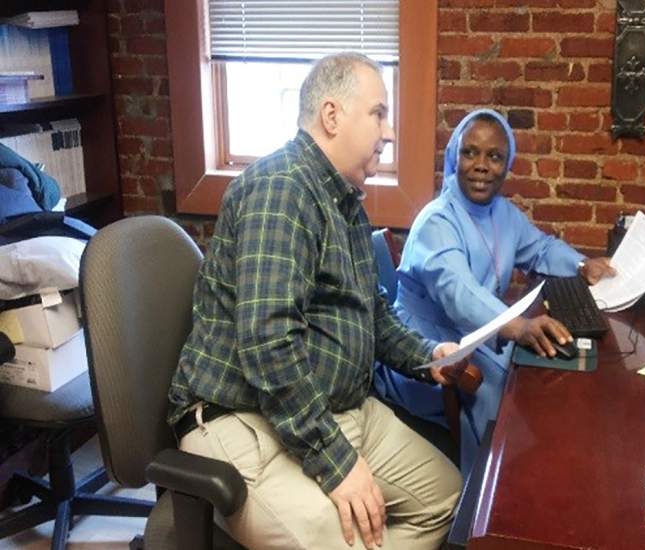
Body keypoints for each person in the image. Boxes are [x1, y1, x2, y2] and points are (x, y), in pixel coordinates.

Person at [167, 53, 465, 550]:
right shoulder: (281, 190)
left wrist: (428, 357)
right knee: (356, 540)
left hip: (331, 409)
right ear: (332, 116)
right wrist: (336, 464)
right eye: (378, 113)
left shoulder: (343, 200)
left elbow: (372, 313)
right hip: (242, 418)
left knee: (447, 498)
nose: (388, 132)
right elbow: (268, 344)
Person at [373, 109, 616, 475]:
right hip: (424, 352)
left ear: (507, 165)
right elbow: (459, 293)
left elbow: (541, 249)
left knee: (533, 381)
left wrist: (582, 265)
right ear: (455, 156)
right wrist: (518, 326)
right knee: (505, 393)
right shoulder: (437, 220)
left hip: (475, 335)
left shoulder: (504, 214)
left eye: (494, 156)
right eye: (470, 153)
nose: (481, 165)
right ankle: (484, 510)